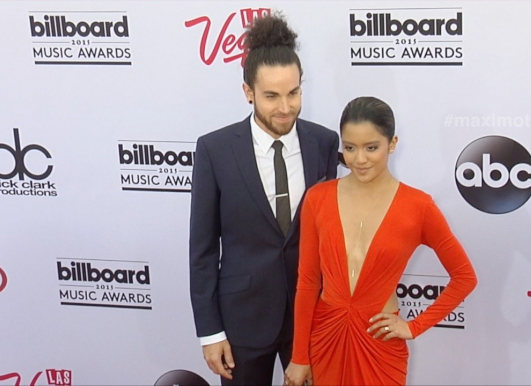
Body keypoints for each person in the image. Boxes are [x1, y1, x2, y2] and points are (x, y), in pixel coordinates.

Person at [188, 13, 340, 386]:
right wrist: (210, 333)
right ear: (248, 92)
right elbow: (203, 251)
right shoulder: (215, 150)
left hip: (308, 320)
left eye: (294, 92)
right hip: (241, 322)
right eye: (271, 95)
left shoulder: (324, 143)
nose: (285, 107)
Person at [284, 97, 478, 385]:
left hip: (379, 345)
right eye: (350, 148)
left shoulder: (418, 206)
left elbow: (465, 277)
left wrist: (414, 326)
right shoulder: (317, 198)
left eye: (371, 147)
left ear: (393, 143)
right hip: (325, 338)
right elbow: (308, 282)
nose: (359, 159)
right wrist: (299, 356)